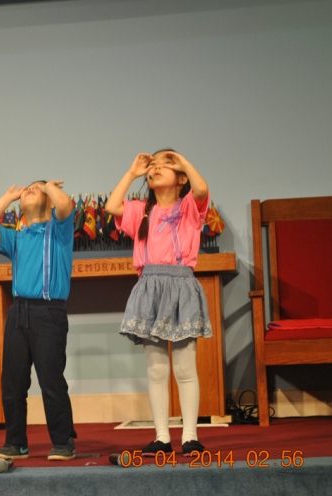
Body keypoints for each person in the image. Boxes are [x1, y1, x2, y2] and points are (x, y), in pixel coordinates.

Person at [105, 149, 211, 457]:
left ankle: (190, 436)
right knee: (156, 369)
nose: (156, 169)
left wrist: (183, 161)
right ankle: (162, 437)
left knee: (185, 367)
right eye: (153, 166)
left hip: (181, 287)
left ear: (181, 178)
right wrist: (132, 172)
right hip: (149, 287)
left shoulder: (189, 206)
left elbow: (201, 188)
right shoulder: (141, 210)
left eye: (166, 165)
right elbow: (112, 206)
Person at [0, 180, 78, 461]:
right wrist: (8, 197)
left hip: (48, 313)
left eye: (38, 189)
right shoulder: (17, 237)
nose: (31, 190)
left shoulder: (58, 231)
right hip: (18, 313)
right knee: (12, 382)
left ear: (49, 199)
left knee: (51, 380)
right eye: (28, 189)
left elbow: (65, 204)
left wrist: (47, 187)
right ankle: (16, 442)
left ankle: (64, 441)